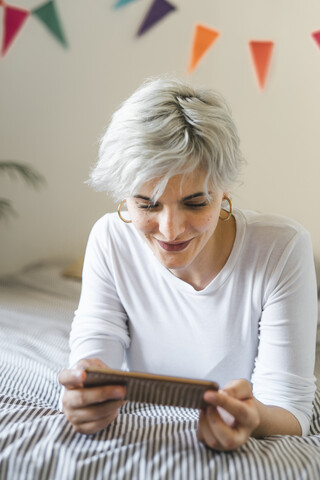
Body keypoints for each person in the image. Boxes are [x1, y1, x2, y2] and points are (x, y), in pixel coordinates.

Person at [59, 77, 318, 451]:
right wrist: (82, 400)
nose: (171, 230)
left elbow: (291, 411)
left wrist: (254, 419)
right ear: (123, 195)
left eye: (195, 203)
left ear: (224, 190)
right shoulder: (110, 239)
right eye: (147, 204)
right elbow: (95, 365)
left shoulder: (282, 248)